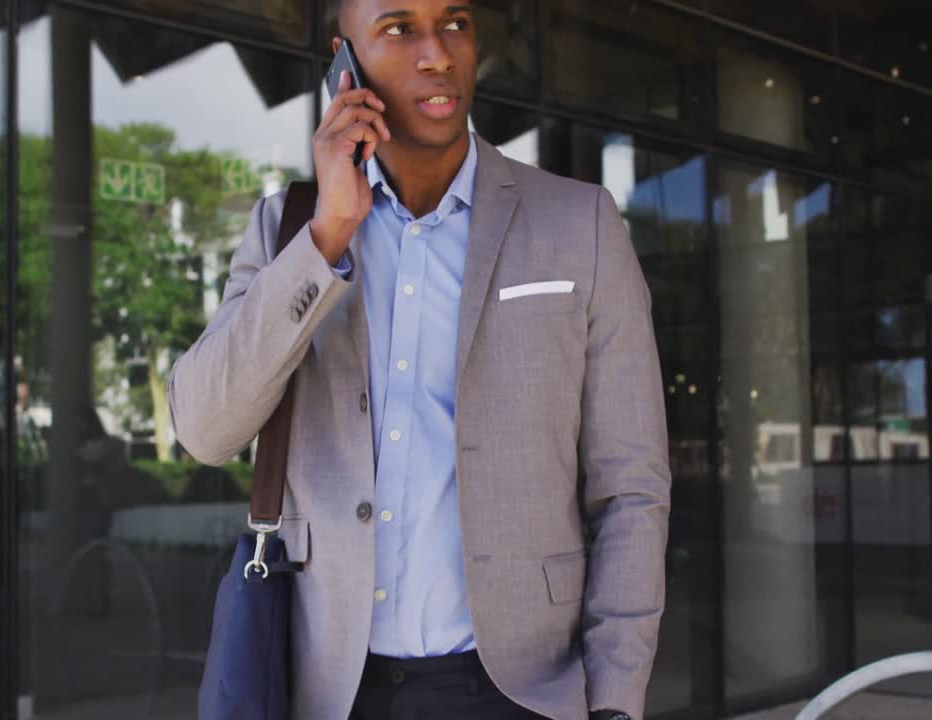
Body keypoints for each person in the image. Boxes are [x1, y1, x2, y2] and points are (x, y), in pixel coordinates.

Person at [167, 1, 670, 718]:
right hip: (334, 691)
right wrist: (328, 236)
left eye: (455, 24)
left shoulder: (580, 224)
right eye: (400, 29)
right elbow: (203, 429)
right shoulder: (289, 231)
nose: (437, 53)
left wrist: (616, 701)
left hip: (523, 690)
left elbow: (632, 487)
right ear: (347, 62)